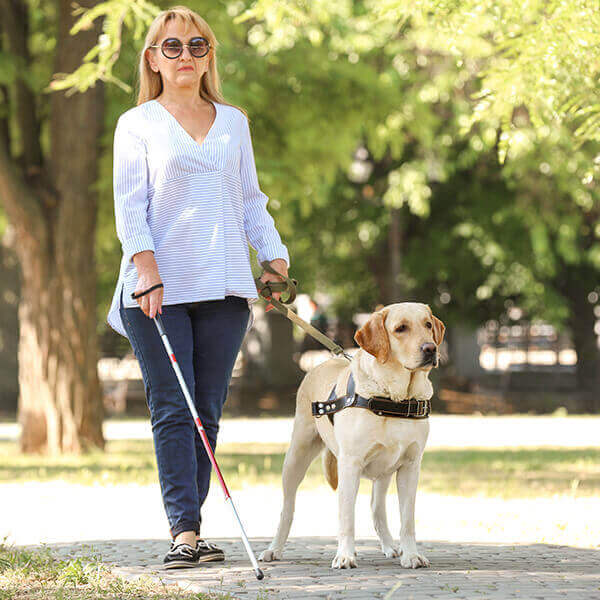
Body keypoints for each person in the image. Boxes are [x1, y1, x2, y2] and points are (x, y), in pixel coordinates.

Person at [105, 6, 290, 569]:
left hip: (226, 286)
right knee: (172, 407)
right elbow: (129, 207)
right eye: (172, 47)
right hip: (154, 289)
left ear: (209, 55)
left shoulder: (233, 122)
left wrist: (275, 257)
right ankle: (183, 531)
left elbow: (249, 200)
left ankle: (195, 525)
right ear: (152, 60)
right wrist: (147, 269)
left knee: (206, 411)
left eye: (196, 45)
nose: (185, 56)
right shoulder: (136, 124)